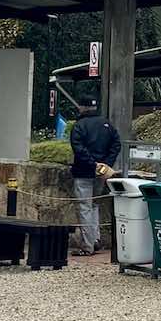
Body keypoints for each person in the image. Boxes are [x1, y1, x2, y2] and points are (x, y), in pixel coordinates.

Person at [67, 104, 122, 254]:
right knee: (94, 205)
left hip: (83, 171)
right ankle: (96, 240)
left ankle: (87, 246)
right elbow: (116, 144)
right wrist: (106, 165)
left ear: (82, 107)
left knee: (85, 207)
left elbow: (78, 148)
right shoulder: (106, 124)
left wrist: (93, 164)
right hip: (102, 173)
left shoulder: (79, 125)